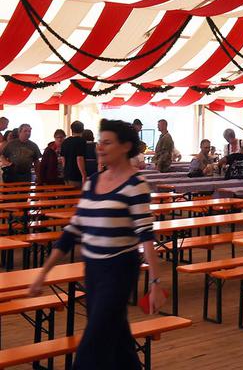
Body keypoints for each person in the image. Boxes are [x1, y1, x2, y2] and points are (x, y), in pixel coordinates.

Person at [29, 119, 165, 369]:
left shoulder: (136, 185)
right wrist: (43, 274)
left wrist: (155, 283)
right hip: (92, 270)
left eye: (107, 142)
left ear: (125, 147)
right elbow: (72, 231)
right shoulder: (92, 183)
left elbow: (146, 235)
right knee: (117, 339)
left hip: (119, 271)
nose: (100, 148)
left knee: (93, 343)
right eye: (99, 142)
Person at [61, 120, 88, 187]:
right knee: (77, 196)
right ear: (82, 130)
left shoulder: (65, 141)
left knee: (68, 196)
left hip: (67, 174)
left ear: (71, 130)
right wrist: (84, 175)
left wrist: (66, 170)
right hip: (76, 175)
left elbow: (63, 159)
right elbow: (79, 158)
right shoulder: (81, 141)